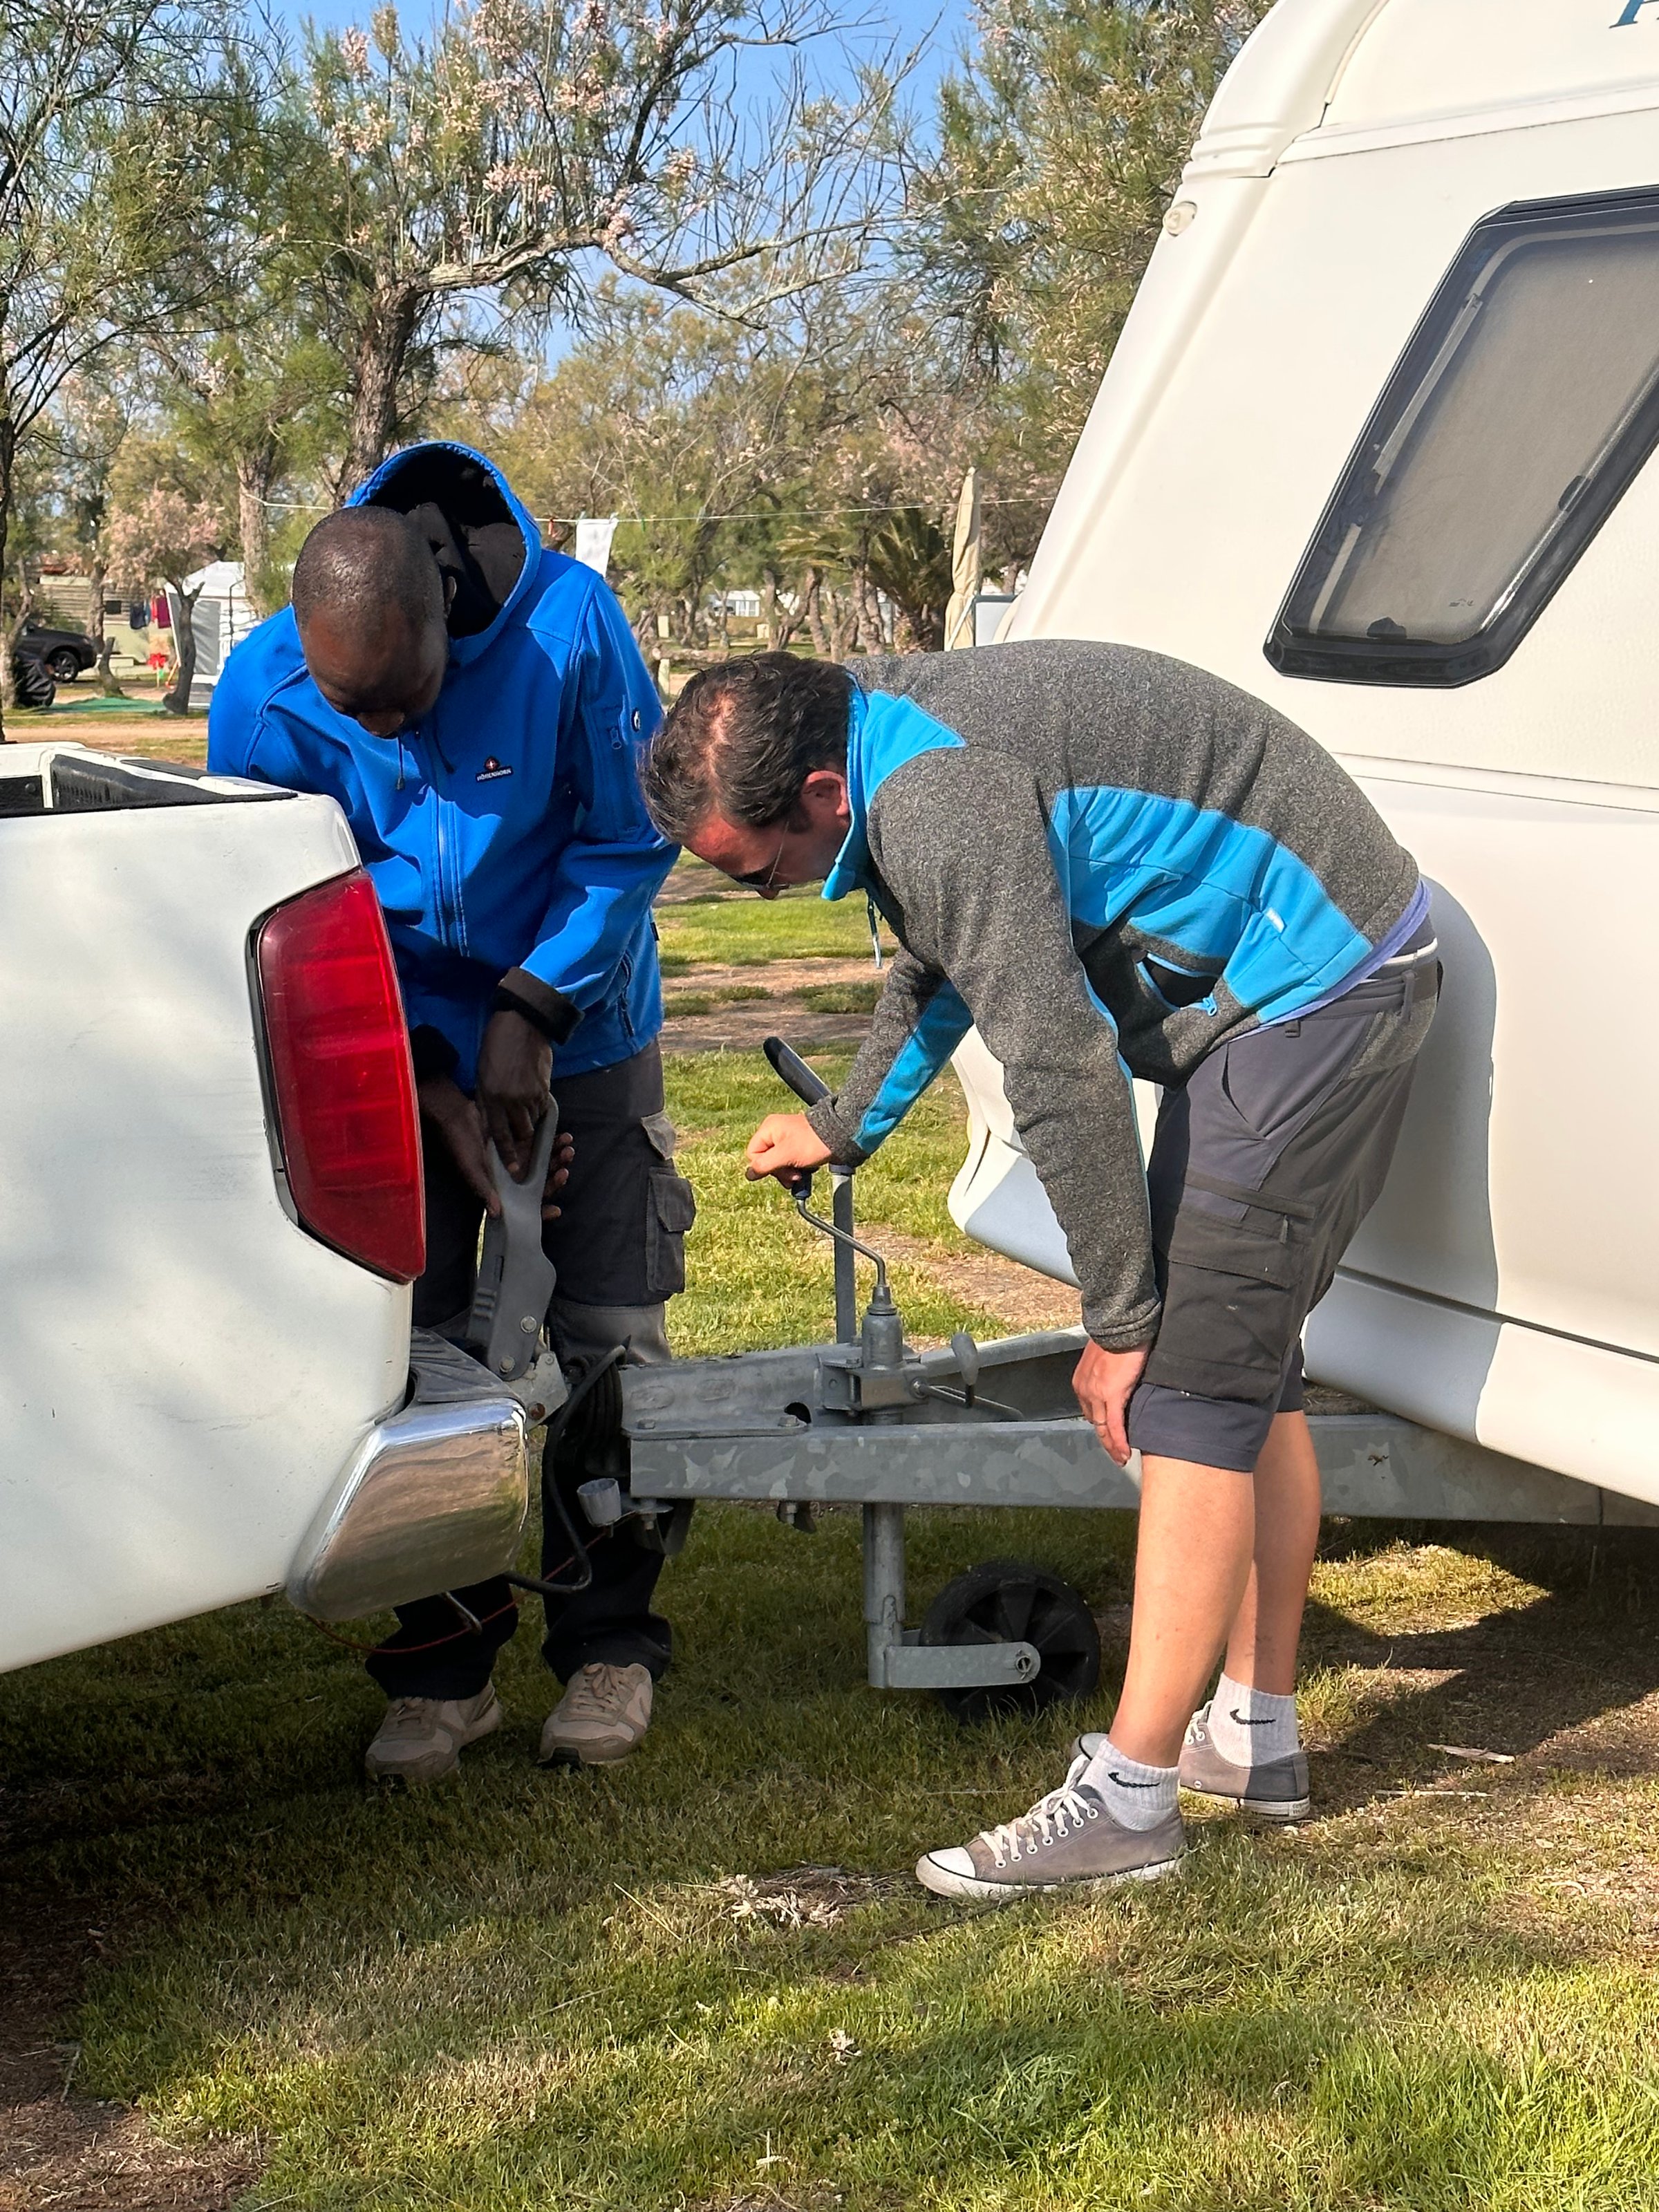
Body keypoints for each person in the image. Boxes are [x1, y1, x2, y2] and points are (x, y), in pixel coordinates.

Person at [641, 641, 1438, 1900]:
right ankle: (1253, 1735)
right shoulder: (888, 746)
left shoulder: (934, 793)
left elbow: (1060, 1070)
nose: (770, 897)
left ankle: (1131, 1800)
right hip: (1288, 984)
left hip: (1319, 989)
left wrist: (1118, 1321)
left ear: (817, 793)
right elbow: (944, 953)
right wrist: (846, 1124)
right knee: (1243, 1373)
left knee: (1187, 1394)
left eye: (761, 870)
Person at [209, 441, 693, 1785]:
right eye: (353, 713)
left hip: (580, 1019)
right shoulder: (263, 684)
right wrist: (437, 1077)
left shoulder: (569, 629)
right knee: (409, 1348)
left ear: (444, 602)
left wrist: (530, 1014)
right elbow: (294, 895)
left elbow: (629, 837)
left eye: (407, 701)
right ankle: (443, 1666)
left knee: (602, 1332)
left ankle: (607, 1642)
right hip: (387, 1042)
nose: (386, 738)